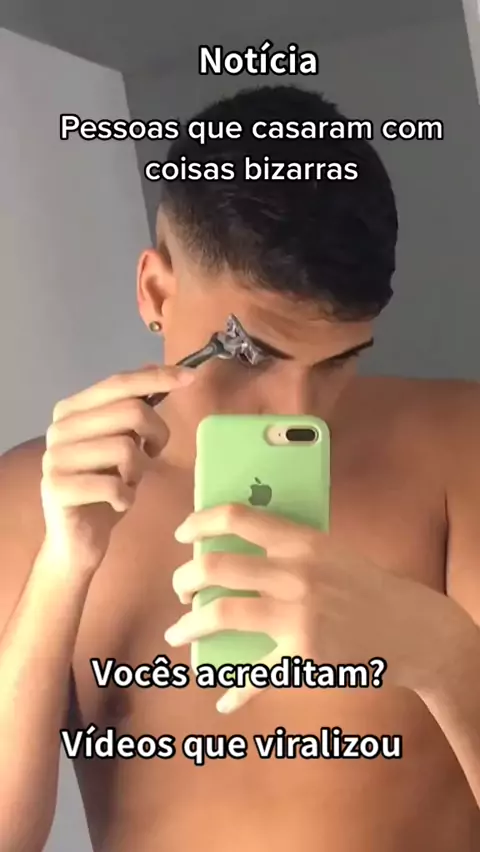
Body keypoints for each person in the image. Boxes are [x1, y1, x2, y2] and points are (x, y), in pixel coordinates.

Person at [0, 85, 479, 852]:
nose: (299, 407)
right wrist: (63, 570)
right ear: (156, 291)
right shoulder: (29, 500)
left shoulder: (461, 444)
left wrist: (441, 652)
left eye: (339, 360)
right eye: (251, 354)